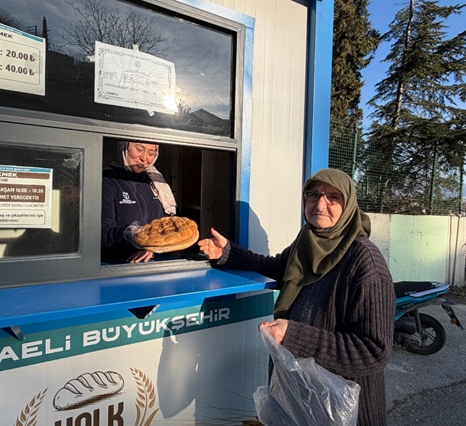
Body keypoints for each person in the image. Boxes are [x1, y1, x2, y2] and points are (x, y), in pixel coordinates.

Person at [198, 168, 396, 425]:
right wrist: (228, 252)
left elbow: (373, 351)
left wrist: (294, 336)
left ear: (348, 205)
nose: (320, 204)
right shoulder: (309, 239)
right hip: (302, 395)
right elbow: (277, 267)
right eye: (312, 195)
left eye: (333, 197)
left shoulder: (364, 261)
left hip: (343, 407)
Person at [101, 141, 177, 263]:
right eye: (139, 149)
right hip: (118, 265)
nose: (144, 158)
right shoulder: (106, 181)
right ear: (123, 148)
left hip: (156, 263)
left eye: (151, 153)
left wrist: (153, 247)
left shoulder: (155, 184)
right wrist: (136, 236)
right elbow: (102, 233)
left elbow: (166, 226)